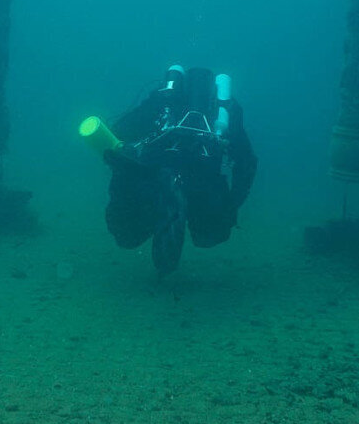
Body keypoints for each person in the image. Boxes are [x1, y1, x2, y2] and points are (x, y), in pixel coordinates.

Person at [102, 65, 257, 274]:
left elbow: (118, 135)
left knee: (126, 236)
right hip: (204, 185)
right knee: (209, 237)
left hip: (152, 177)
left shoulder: (162, 99)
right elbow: (246, 162)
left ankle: (159, 198)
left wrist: (123, 170)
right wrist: (232, 204)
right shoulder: (226, 110)